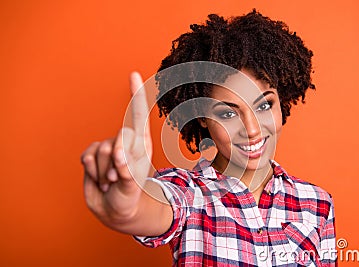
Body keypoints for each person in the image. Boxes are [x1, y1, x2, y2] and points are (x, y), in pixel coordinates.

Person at [81, 10, 336, 266]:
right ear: (202, 115)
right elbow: (152, 207)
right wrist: (127, 207)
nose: (252, 129)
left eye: (264, 105)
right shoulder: (188, 194)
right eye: (227, 113)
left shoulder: (317, 204)